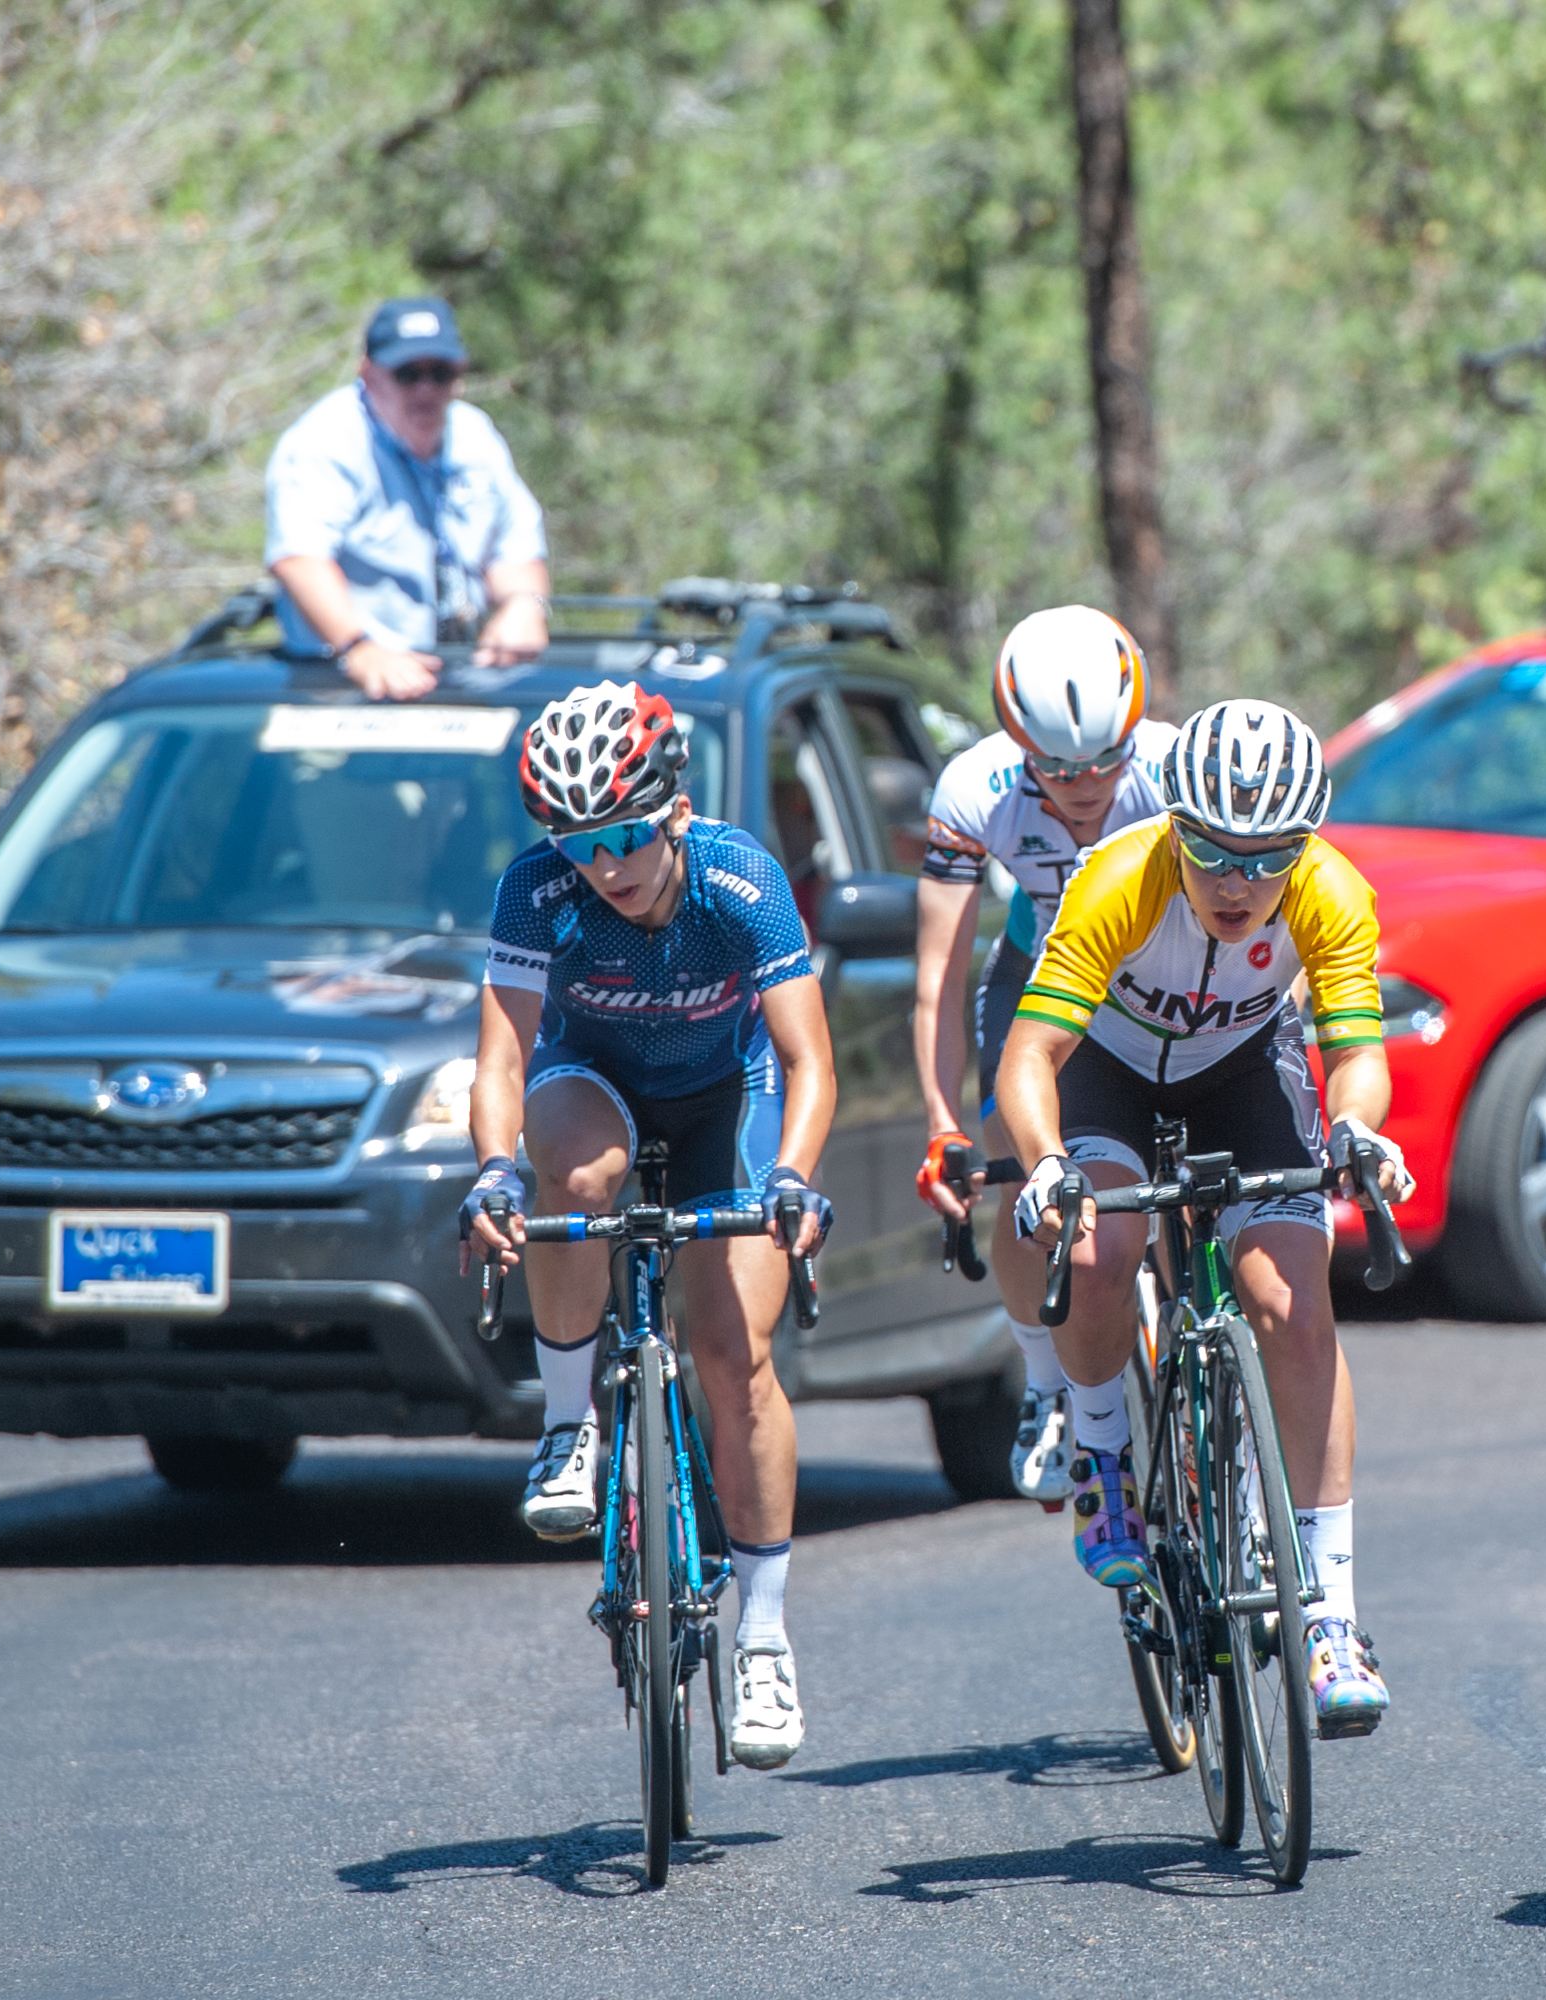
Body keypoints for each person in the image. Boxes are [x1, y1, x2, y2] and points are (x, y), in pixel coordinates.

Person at [993, 697, 1414, 1740]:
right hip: (1111, 1074)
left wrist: (1359, 1129)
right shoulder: (1116, 879)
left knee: (1294, 1303)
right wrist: (1045, 1164)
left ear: (1299, 846)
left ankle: (1332, 1616)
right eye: (1212, 851)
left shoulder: (1330, 888)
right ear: (1174, 825)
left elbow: (1356, 1050)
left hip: (1244, 1073)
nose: (1236, 881)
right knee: (1101, 1246)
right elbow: (1029, 1056)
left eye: (1264, 857)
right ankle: (1101, 1454)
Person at [461, 682, 837, 1771]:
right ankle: (570, 1427)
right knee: (572, 1179)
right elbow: (500, 1058)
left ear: (672, 810)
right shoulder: (538, 892)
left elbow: (810, 1059)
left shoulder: (741, 878)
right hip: (596, 1077)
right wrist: (492, 1170)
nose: (606, 866)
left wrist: (796, 1180)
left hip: (733, 1088)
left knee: (734, 1354)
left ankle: (763, 1634)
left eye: (625, 835)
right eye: (580, 846)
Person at [911, 606, 1178, 1503]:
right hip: (1035, 975)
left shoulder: (1178, 773)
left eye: (1108, 760)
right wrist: (945, 1121)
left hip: (1160, 974)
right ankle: (1046, 1384)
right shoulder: (973, 790)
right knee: (1018, 1161)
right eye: (1060, 769)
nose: (1088, 784)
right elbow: (939, 983)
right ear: (1017, 747)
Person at [264, 296, 552, 702]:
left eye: (440, 373)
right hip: (338, 690)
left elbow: (514, 546)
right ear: (370, 374)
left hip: (456, 683)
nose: (426, 389)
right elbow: (299, 557)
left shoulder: (475, 437)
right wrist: (358, 650)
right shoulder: (325, 442)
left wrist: (526, 606)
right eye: (408, 374)